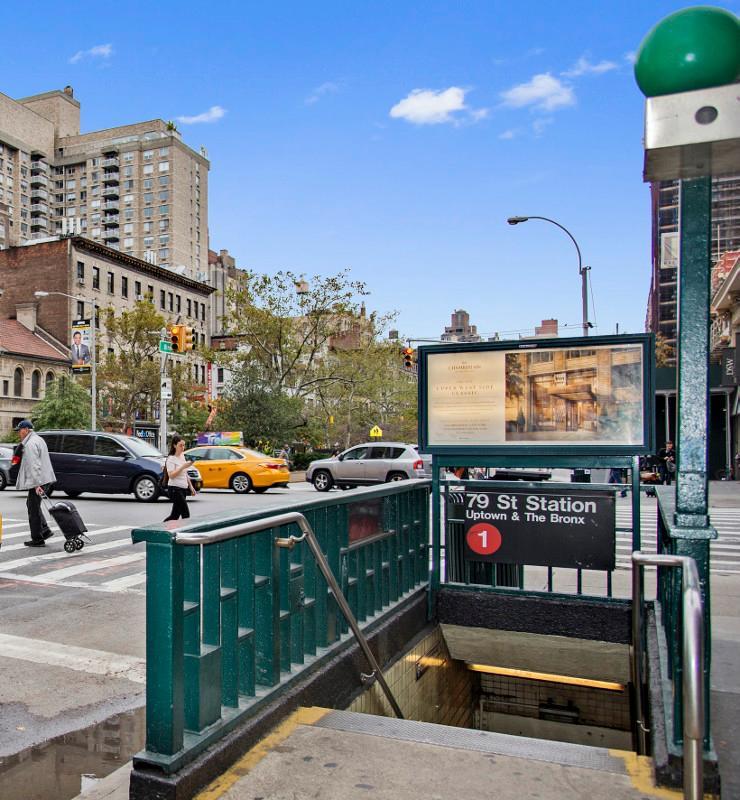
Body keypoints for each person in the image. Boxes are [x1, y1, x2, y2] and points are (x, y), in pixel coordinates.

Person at [15, 420, 56, 547]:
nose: (19, 433)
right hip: (45, 478)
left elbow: (34, 465)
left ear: (26, 430)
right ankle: (44, 530)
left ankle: (38, 538)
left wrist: (37, 484)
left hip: (39, 480)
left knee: (33, 508)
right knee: (32, 504)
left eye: (20, 430)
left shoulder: (30, 444)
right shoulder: (38, 439)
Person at [163, 435, 195, 522]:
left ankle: (162, 528)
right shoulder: (171, 459)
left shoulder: (182, 456)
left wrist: (191, 486)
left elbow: (185, 473)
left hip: (183, 489)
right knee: (186, 514)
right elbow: (171, 475)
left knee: (174, 516)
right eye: (180, 445)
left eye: (184, 445)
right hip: (175, 490)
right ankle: (185, 531)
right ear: (174, 445)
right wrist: (183, 466)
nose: (183, 448)